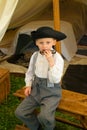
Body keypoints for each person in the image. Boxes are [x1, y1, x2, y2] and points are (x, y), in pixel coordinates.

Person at [15, 26, 67, 130]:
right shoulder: (35, 55)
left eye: (48, 42)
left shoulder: (57, 58)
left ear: (54, 42)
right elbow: (30, 72)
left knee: (45, 117)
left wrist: (51, 62)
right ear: (36, 43)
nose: (44, 46)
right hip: (36, 89)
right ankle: (36, 126)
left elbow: (55, 79)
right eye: (41, 43)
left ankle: (50, 128)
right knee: (20, 112)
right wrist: (28, 85)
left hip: (51, 91)